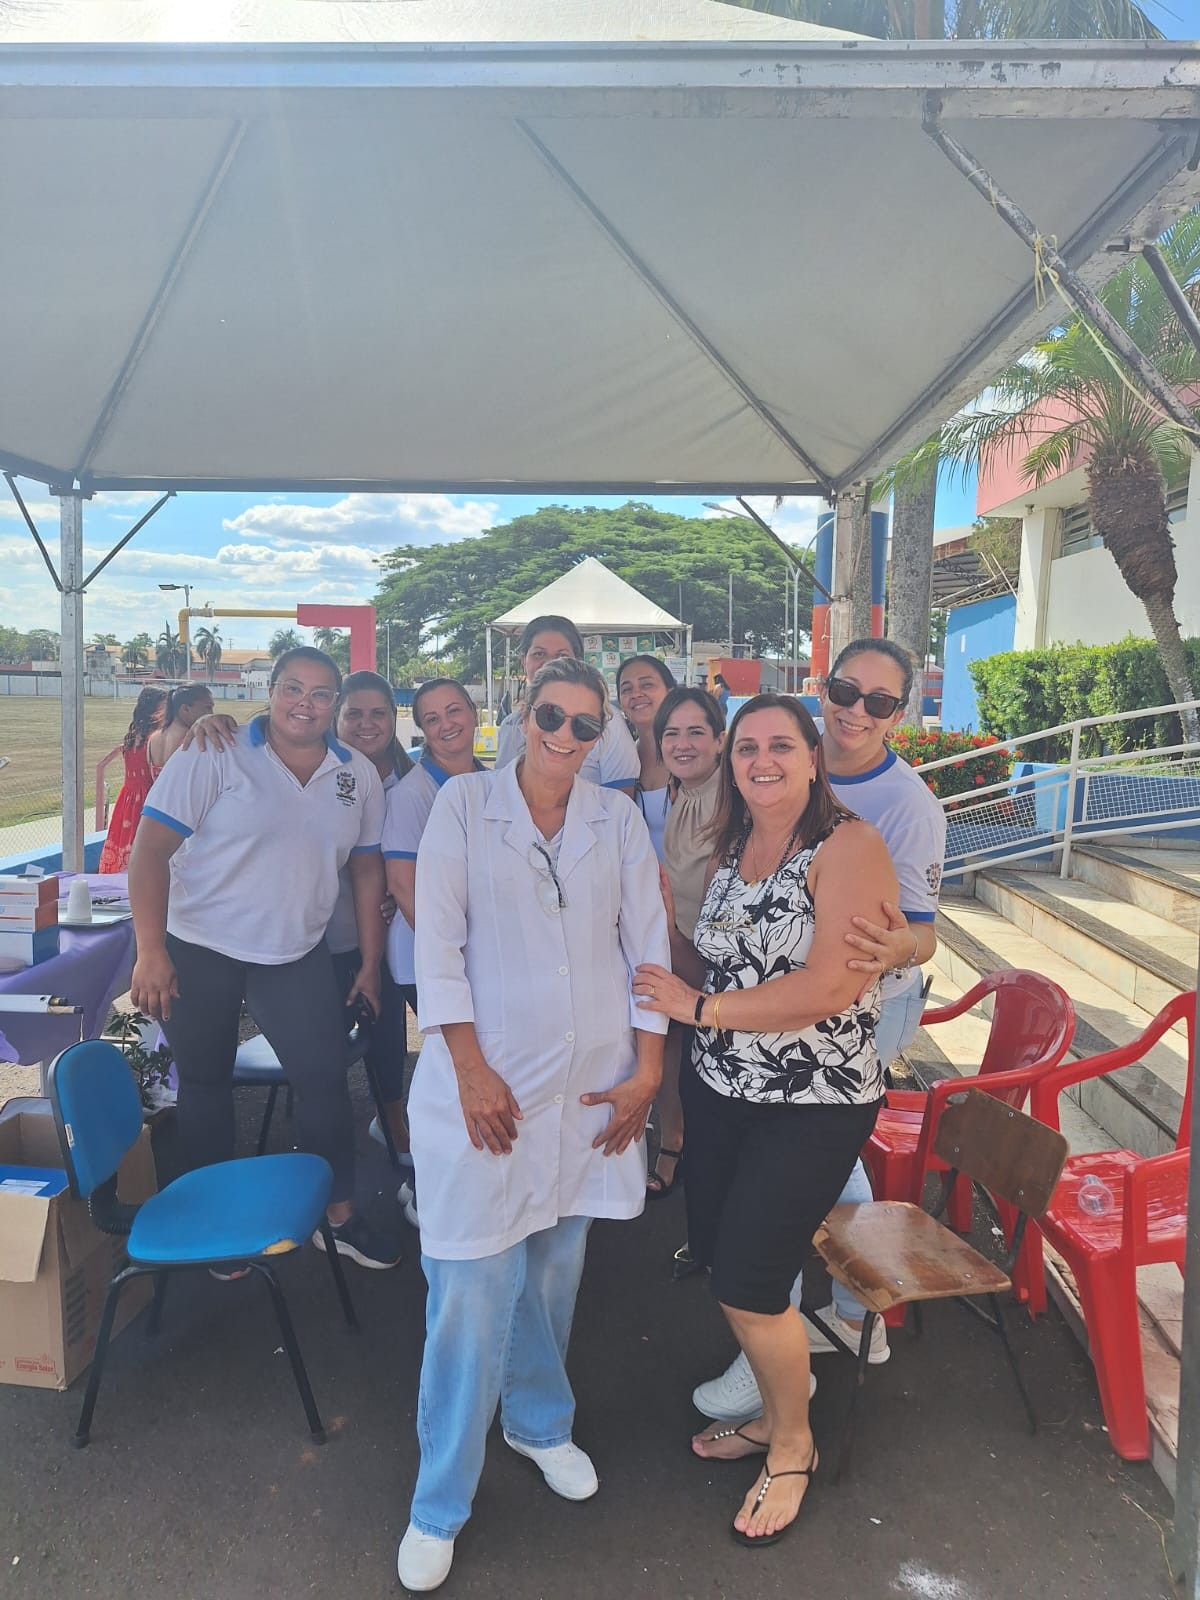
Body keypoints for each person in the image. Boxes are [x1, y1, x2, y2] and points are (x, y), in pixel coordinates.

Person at [396, 657, 669, 1592]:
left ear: (605, 738)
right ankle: (439, 1500)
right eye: (550, 715)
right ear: (522, 714)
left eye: (586, 724)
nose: (565, 734)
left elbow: (649, 949)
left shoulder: (618, 819)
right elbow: (437, 946)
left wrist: (650, 1070)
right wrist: (469, 1067)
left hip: (588, 1090)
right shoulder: (463, 808)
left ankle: (538, 1422)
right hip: (487, 1088)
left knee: (555, 1269)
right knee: (472, 1288)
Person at [633, 693, 898, 1548]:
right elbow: (707, 953)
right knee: (722, 1261)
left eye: (781, 745)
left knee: (750, 1278)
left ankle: (792, 1442)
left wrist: (699, 1008)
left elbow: (831, 987)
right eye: (747, 746)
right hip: (722, 1091)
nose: (762, 760)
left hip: (812, 1102)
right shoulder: (736, 842)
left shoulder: (848, 846)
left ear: (814, 758)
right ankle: (775, 1399)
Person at [691, 637, 947, 1418]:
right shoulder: (743, 830)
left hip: (826, 1053)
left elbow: (908, 939)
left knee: (810, 1195)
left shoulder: (898, 810)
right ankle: (790, 1336)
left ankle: (841, 1315)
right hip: (736, 1072)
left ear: (898, 714)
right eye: (846, 689)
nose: (857, 709)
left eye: (879, 701)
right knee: (750, 1240)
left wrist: (901, 943)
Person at [127, 647, 399, 1271]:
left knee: (325, 1077)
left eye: (321, 693)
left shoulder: (354, 772)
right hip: (200, 948)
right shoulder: (212, 752)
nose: (305, 703)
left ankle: (338, 1215)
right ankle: (214, 1224)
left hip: (292, 952)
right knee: (203, 1083)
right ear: (269, 690)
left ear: (335, 703)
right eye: (292, 688)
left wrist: (367, 961)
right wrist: (151, 951)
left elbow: (365, 873)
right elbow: (149, 853)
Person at [382, 677, 484, 1226]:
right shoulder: (411, 795)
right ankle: (427, 1192)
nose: (447, 724)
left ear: (473, 713)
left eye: (455, 711)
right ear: (419, 728)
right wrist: (456, 958)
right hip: (430, 960)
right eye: (433, 717)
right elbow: (403, 886)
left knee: (475, 1065)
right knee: (449, 1074)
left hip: (479, 956)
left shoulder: (494, 781)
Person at [645, 685, 725, 1199]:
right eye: (671, 733)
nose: (683, 743)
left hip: (718, 959)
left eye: (697, 731)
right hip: (677, 945)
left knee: (709, 1065)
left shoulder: (735, 796)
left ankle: (703, 1160)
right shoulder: (680, 794)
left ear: (720, 740)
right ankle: (673, 1141)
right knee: (670, 1048)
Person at [495, 614, 639, 794]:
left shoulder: (607, 721)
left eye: (561, 655)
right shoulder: (510, 724)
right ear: (524, 661)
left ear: (578, 661)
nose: (549, 662)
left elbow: (621, 796)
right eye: (539, 654)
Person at [97, 686, 167, 872]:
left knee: (124, 841)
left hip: (127, 801)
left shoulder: (132, 737)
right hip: (147, 800)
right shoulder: (155, 739)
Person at [616, 654, 676, 861]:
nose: (636, 694)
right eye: (627, 689)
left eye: (647, 685)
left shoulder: (690, 755)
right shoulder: (620, 760)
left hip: (693, 889)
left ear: (670, 692)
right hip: (643, 889)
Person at [146, 684, 215, 771]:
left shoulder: (153, 738)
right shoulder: (193, 738)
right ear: (185, 708)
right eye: (208, 708)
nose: (211, 714)